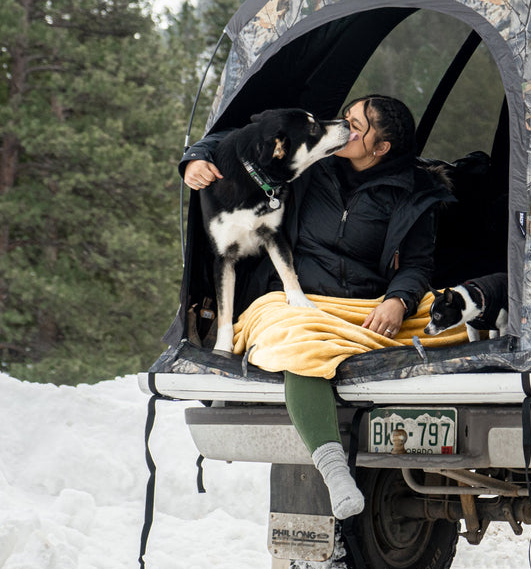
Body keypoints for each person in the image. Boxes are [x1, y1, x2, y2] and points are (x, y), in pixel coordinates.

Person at [181, 94, 454, 519]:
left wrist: (398, 300)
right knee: (298, 344)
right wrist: (194, 158)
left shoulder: (414, 192)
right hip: (297, 300)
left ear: (380, 149)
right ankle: (334, 470)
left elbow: (418, 264)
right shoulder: (311, 163)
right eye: (346, 116)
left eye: (356, 125)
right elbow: (244, 139)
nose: (342, 125)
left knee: (447, 321)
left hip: (364, 303)